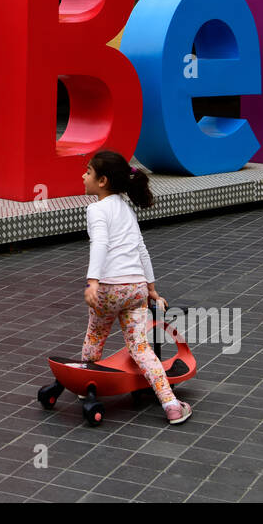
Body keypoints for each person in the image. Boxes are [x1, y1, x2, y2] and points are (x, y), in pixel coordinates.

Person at [81, 149, 191, 425]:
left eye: (88, 172)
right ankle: (171, 404)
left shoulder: (96, 209)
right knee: (141, 349)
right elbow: (141, 250)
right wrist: (152, 288)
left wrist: (93, 281)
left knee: (95, 338)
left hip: (108, 289)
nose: (83, 176)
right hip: (136, 289)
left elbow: (100, 244)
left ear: (103, 180)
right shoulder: (125, 208)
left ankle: (85, 388)